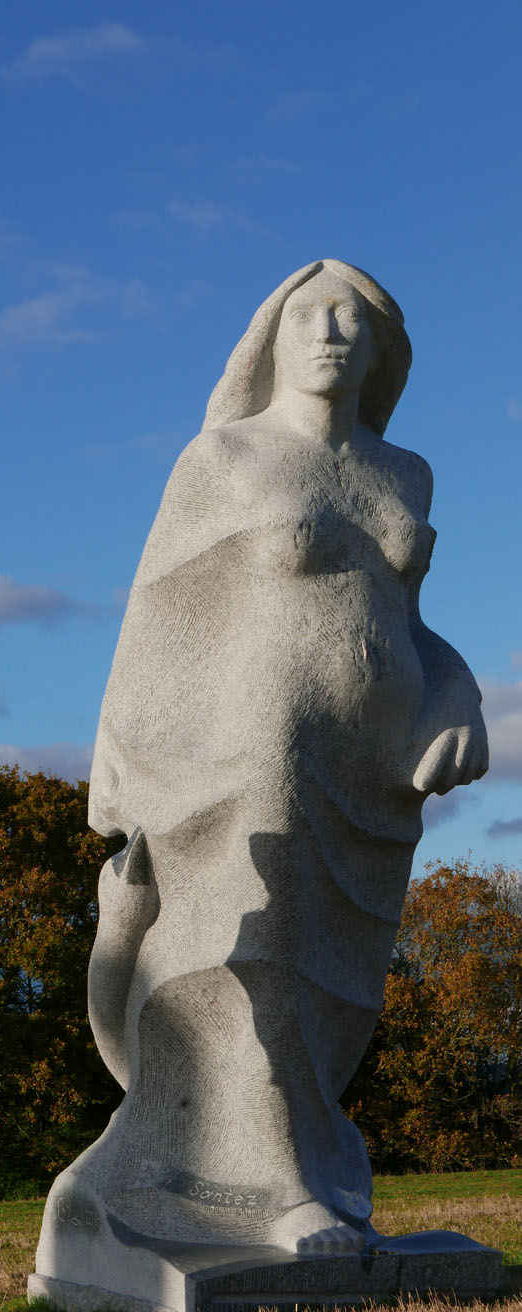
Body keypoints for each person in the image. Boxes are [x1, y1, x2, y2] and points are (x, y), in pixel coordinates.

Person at [73, 260, 488, 1255]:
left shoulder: (403, 473)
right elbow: (155, 614)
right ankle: (276, 1187)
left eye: (355, 317)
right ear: (270, 336)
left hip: (371, 770)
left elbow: (407, 622)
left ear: (385, 351)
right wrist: (121, 766)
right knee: (250, 953)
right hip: (255, 742)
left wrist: (457, 692)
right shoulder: (223, 460)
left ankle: (289, 1160)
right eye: (308, 313)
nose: (331, 330)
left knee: (332, 978)